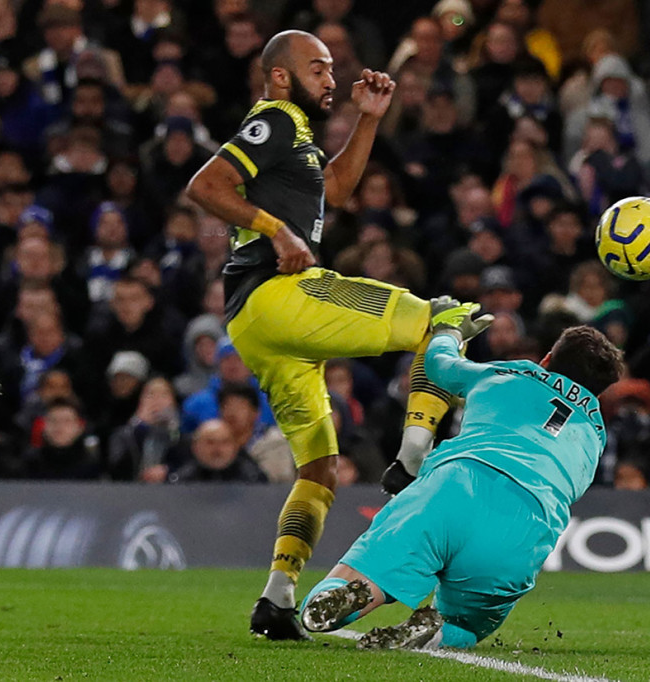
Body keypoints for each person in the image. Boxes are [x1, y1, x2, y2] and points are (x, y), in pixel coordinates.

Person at [185, 30, 491, 641]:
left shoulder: (294, 137)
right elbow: (205, 186)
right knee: (445, 316)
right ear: (280, 76)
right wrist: (278, 231)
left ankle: (276, 599)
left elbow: (337, 191)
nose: (330, 79)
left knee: (319, 467)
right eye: (318, 70)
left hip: (257, 325)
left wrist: (367, 120)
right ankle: (410, 457)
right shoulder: (274, 118)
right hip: (280, 293)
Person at [299, 324, 623, 650]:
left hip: (453, 488)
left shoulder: (509, 373)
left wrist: (448, 332)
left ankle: (352, 592)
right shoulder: (595, 437)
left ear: (547, 358)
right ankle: (434, 632)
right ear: (598, 392)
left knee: (357, 579)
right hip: (527, 522)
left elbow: (439, 365)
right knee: (466, 626)